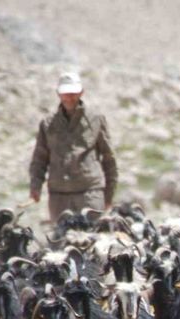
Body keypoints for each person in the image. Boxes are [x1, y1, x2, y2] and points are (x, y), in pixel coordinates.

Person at [29, 71, 118, 221]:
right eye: (65, 93)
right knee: (60, 242)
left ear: (81, 92)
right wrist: (35, 187)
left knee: (94, 241)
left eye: (73, 92)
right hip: (59, 197)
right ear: (58, 93)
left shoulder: (96, 120)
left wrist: (108, 196)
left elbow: (109, 159)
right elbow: (40, 159)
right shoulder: (48, 124)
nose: (69, 97)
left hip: (90, 195)